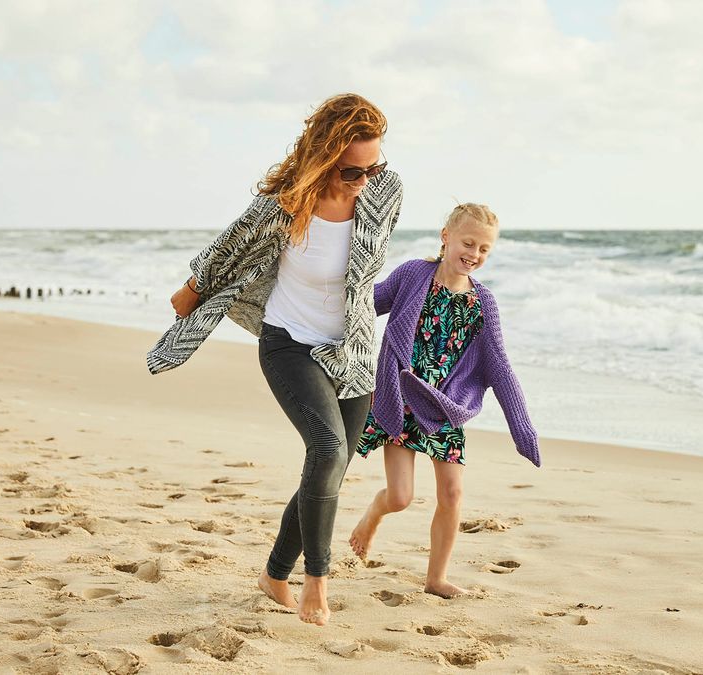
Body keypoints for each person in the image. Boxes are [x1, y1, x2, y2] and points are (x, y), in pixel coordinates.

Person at [146, 93, 403, 626]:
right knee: (329, 447)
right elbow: (231, 245)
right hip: (289, 341)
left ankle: (273, 574)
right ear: (326, 156)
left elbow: (364, 273)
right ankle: (316, 582)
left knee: (329, 468)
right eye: (353, 170)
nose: (365, 180)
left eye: (373, 166)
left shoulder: (385, 191)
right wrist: (193, 288)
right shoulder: (285, 205)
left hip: (352, 350)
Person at [347, 203, 540, 598]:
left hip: (444, 407)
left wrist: (521, 426)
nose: (475, 254)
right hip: (400, 400)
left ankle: (436, 578)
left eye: (485, 249)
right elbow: (365, 306)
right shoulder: (413, 275)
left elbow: (499, 367)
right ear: (446, 236)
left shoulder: (483, 303)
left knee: (451, 494)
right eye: (469, 243)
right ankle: (372, 516)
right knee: (400, 497)